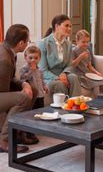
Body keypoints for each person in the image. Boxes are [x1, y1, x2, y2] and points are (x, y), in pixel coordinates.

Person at [0, 24, 37, 153]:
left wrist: (24, 84)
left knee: (32, 89)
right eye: (28, 41)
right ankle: (4, 140)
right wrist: (22, 92)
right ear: (21, 43)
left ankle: (19, 132)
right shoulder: (4, 58)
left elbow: (10, 79)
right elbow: (3, 90)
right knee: (23, 98)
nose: (28, 43)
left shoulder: (9, 51)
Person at [38, 14, 82, 99]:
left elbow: (69, 65)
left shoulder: (68, 44)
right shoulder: (43, 44)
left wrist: (64, 73)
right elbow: (43, 70)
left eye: (70, 26)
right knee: (59, 84)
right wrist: (58, 78)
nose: (69, 29)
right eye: (66, 26)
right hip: (48, 77)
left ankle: (76, 106)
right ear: (57, 26)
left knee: (74, 77)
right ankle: (64, 110)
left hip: (63, 74)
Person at [71, 30, 103, 97]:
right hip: (79, 74)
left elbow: (89, 66)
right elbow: (73, 65)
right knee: (96, 84)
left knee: (101, 81)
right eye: (83, 42)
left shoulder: (87, 51)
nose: (86, 44)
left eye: (87, 42)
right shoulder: (74, 51)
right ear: (77, 41)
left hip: (87, 73)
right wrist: (80, 57)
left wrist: (96, 72)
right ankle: (98, 100)